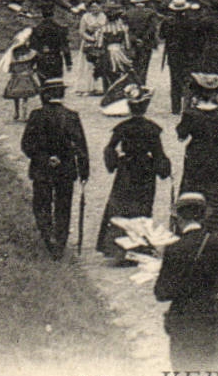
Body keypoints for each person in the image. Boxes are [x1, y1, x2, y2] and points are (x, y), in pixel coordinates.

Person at [155, 192, 218, 370]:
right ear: (203, 216)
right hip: (214, 320)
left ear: (179, 218)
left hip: (185, 323)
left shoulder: (173, 248)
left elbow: (161, 293)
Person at [95, 85, 171, 264]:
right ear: (146, 107)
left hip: (126, 170)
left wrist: (114, 164)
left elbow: (110, 148)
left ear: (129, 106)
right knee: (143, 208)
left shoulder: (122, 127)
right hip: (145, 171)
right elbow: (159, 154)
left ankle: (119, 248)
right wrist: (164, 170)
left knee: (121, 206)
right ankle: (140, 247)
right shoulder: (152, 129)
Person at [21, 77, 89, 259]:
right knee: (63, 205)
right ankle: (60, 243)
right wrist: (84, 172)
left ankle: (47, 236)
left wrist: (45, 158)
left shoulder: (36, 116)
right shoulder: (72, 116)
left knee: (42, 204)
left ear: (45, 95)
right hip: (66, 169)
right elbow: (81, 147)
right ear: (62, 94)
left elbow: (26, 145)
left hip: (41, 169)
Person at [176, 73, 218, 233]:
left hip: (196, 157)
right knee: (216, 196)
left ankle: (189, 229)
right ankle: (215, 231)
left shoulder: (191, 114)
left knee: (192, 191)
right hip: (216, 159)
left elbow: (181, 135)